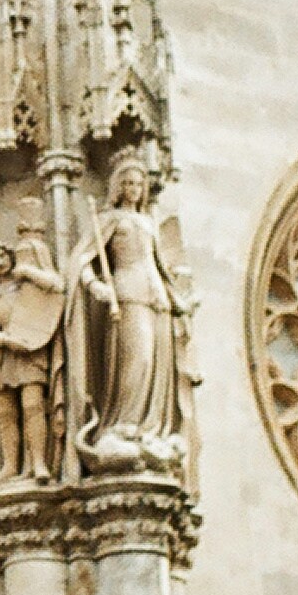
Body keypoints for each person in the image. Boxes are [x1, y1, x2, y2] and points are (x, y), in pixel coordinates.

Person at [72, 154, 191, 472]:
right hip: (127, 293)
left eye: (138, 183)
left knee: (155, 366)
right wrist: (95, 285)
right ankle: (121, 424)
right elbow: (83, 259)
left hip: (157, 299)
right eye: (127, 183)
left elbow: (159, 265)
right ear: (117, 187)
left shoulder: (149, 223)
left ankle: (149, 429)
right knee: (136, 361)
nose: (134, 189)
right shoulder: (110, 219)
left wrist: (175, 299)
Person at [0, 227, 65, 482]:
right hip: (4, 356)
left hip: (31, 351)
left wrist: (27, 271)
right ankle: (10, 466)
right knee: (5, 414)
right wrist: (7, 340)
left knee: (33, 406)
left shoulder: (30, 287)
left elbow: (58, 287)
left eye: (2, 256)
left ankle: (38, 462)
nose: (0, 262)